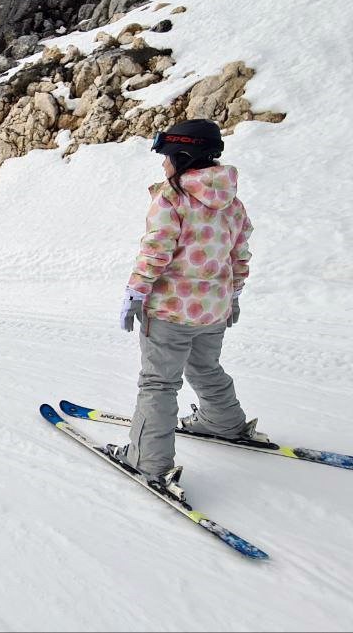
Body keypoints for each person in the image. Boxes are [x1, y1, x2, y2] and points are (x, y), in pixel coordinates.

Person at [109, 119, 263, 499]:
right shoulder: (232, 201)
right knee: (204, 366)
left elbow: (156, 251)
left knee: (159, 383)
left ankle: (146, 459)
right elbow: (239, 255)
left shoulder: (172, 198)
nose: (162, 165)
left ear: (183, 155)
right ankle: (224, 422)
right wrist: (235, 293)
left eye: (165, 156)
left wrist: (136, 291)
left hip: (171, 311)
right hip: (214, 309)